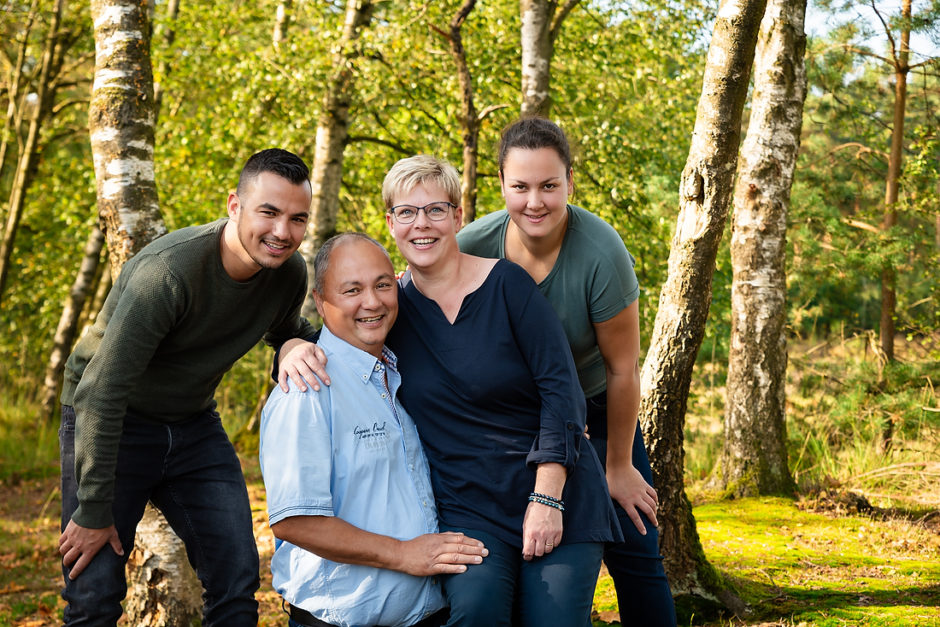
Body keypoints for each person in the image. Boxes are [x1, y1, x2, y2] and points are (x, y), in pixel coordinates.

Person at [279, 155, 621, 627]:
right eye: (407, 212)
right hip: (467, 507)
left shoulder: (508, 285)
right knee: (476, 612)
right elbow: (341, 336)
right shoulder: (391, 308)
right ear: (391, 223)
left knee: (553, 620)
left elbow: (562, 393)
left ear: (458, 217)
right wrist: (292, 346)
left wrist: (547, 498)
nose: (422, 224)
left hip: (555, 491)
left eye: (436, 210)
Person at [57, 148, 329, 626]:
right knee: (93, 593)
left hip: (192, 424)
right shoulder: (167, 273)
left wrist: (288, 344)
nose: (283, 232)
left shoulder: (288, 273)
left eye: (297, 218)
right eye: (268, 212)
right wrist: (93, 508)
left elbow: (285, 329)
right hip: (111, 421)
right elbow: (101, 391)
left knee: (236, 578)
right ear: (234, 205)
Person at [456, 117, 677, 626]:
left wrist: (618, 466)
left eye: (549, 186)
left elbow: (623, 369)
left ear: (569, 183)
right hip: (513, 422)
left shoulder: (600, 252)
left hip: (599, 413)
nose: (535, 201)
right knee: (517, 546)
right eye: (521, 187)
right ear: (502, 186)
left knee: (638, 549)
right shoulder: (471, 243)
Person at [259, 233, 487, 627]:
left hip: (430, 614)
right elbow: (294, 520)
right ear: (320, 300)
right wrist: (402, 553)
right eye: (352, 290)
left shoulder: (402, 374)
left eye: (383, 285)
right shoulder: (307, 390)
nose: (372, 302)